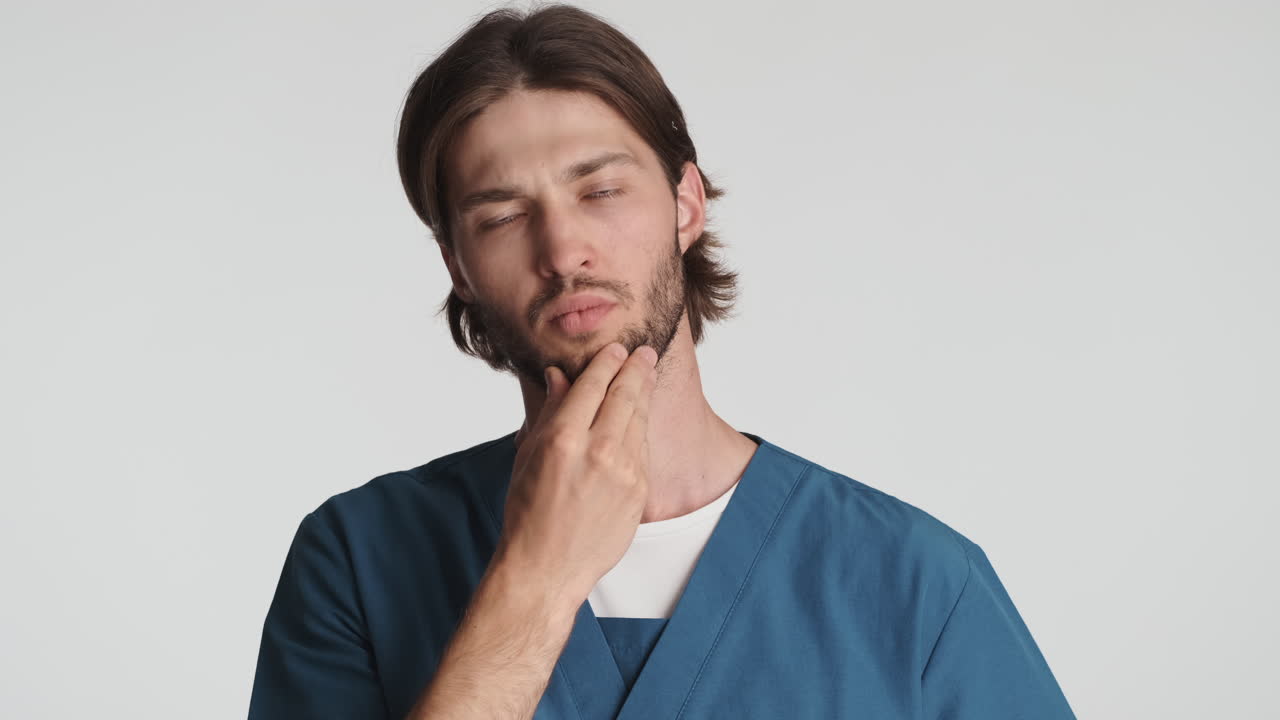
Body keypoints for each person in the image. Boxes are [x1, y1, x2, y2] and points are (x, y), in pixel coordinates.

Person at [247, 4, 1077, 719]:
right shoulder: (358, 563)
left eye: (601, 191)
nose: (564, 249)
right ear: (458, 267)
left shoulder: (913, 584)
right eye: (502, 216)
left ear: (686, 204)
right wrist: (535, 582)